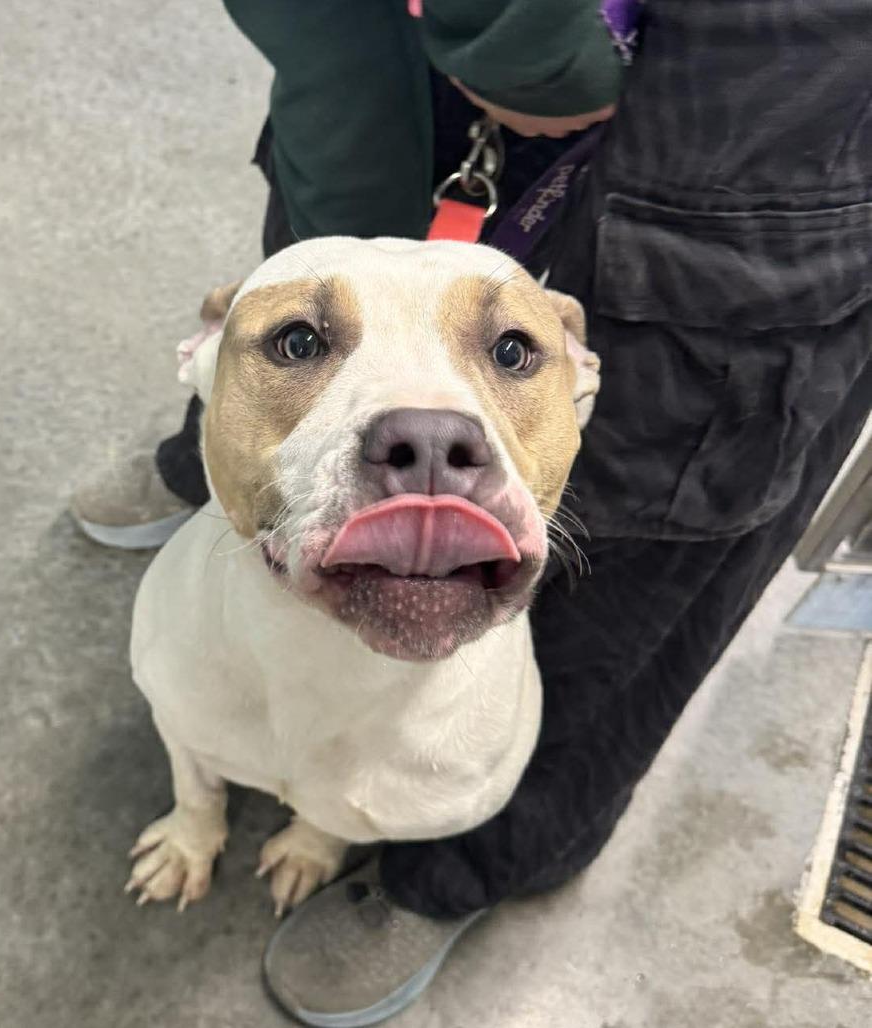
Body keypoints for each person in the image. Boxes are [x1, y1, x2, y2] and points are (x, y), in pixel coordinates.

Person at [71, 2, 872, 1024]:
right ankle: (228, 461)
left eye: (513, 358)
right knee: (339, 248)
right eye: (292, 348)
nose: (429, 442)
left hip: (776, 70)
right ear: (197, 355)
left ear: (579, 372)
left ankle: (439, 860)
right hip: (400, 42)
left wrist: (515, 28)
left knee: (669, 467)